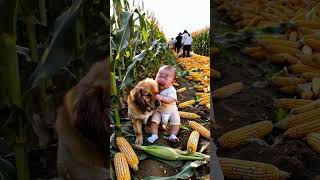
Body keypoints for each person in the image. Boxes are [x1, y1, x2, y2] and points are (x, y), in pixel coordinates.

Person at [148, 65, 180, 143]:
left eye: (165, 78)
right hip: (159, 110)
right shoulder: (155, 87)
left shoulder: (171, 90)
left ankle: (173, 135)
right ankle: (154, 135)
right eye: (160, 76)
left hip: (171, 111)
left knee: (176, 122)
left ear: (173, 81)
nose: (161, 79)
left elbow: (172, 99)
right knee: (154, 122)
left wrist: (163, 98)